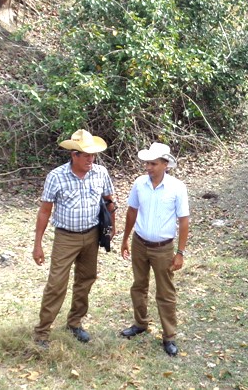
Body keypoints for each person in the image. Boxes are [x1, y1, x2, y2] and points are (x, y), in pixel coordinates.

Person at [33, 129, 117, 348]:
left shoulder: (100, 173)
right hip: (65, 238)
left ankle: (75, 323)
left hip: (91, 235)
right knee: (56, 284)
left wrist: (112, 226)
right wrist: (38, 244)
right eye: (86, 155)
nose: (91, 159)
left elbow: (109, 200)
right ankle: (42, 332)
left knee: (86, 280)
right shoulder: (56, 176)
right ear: (74, 155)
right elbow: (44, 211)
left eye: (93, 154)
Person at [120, 142, 190, 356]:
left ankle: (169, 336)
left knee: (165, 292)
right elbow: (132, 211)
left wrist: (180, 252)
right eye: (147, 163)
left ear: (165, 164)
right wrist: (125, 239)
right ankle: (140, 323)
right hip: (140, 243)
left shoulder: (177, 187)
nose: (148, 167)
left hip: (163, 248)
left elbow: (184, 221)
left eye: (153, 163)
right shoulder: (140, 183)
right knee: (139, 285)